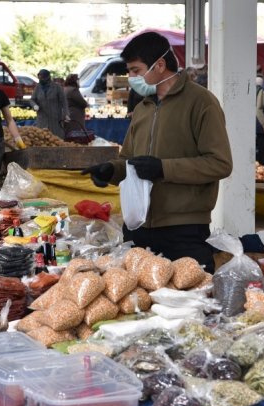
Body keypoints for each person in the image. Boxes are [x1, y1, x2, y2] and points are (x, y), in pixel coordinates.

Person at [81, 31, 232, 272]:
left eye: (136, 71)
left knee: (195, 303)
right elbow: (129, 160)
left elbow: (219, 163)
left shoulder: (201, 103)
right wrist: (111, 170)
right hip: (138, 227)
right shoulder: (142, 108)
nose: (131, 78)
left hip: (183, 229)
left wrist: (163, 168)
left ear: (159, 65)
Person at [31, 69, 69, 139]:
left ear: (48, 77)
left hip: (55, 120)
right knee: (43, 140)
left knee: (57, 140)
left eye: (42, 78)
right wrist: (34, 105)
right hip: (42, 120)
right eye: (39, 78)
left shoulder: (57, 87)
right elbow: (32, 100)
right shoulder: (38, 87)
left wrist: (66, 114)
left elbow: (64, 102)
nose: (41, 80)